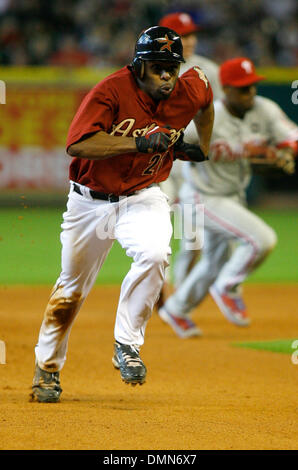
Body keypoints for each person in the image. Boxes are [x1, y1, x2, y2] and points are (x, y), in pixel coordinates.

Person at [30, 26, 214, 402]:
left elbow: (206, 97)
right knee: (71, 289)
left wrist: (203, 146)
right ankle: (47, 368)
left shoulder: (189, 87)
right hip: (88, 203)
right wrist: (139, 142)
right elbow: (78, 144)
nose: (167, 75)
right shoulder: (111, 90)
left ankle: (127, 344)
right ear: (139, 66)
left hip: (142, 196)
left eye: (172, 67)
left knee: (156, 253)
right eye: (158, 66)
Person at [158, 57, 298, 338]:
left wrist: (286, 153)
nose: (250, 93)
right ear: (227, 89)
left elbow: (291, 137)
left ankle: (176, 308)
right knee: (262, 239)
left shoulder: (264, 110)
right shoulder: (209, 116)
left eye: (252, 87)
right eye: (243, 88)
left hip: (233, 197)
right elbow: (170, 144)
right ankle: (228, 286)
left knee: (214, 261)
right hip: (201, 197)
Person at [157, 12, 223, 300]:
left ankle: (179, 298)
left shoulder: (210, 70)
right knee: (158, 224)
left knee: (192, 236)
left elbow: (217, 114)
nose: (190, 40)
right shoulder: (151, 69)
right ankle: (157, 281)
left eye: (192, 34)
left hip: (190, 162)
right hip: (159, 159)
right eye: (182, 35)